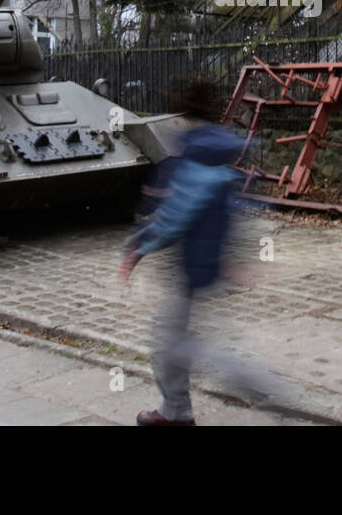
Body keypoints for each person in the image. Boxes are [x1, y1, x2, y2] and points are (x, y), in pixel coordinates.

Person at [118, 77, 272, 426]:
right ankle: (177, 411)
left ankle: (258, 387)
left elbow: (175, 219)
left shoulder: (197, 154)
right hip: (207, 261)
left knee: (171, 343)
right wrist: (233, 256)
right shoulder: (217, 151)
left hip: (192, 266)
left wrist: (137, 248)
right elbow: (239, 205)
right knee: (175, 337)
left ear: (185, 115)